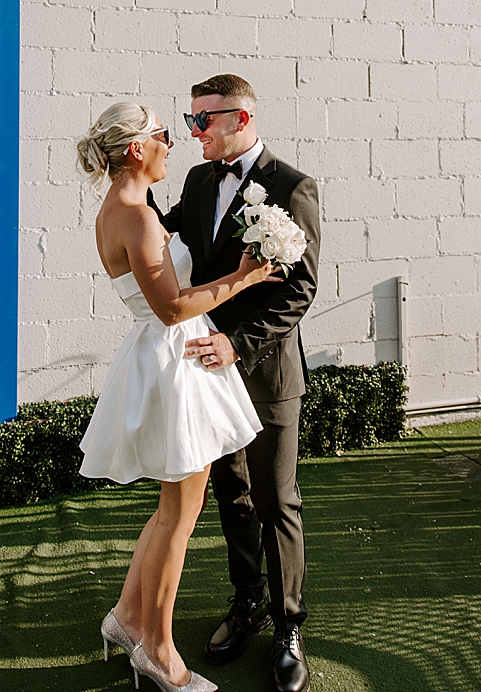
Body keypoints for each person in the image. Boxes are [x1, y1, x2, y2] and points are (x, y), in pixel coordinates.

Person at [76, 102, 277, 692]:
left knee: (171, 513)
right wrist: (247, 276)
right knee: (180, 519)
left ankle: (126, 618)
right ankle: (158, 653)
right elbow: (171, 308)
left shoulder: (126, 208)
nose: (173, 143)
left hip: (169, 357)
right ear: (136, 149)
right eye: (164, 134)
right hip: (175, 360)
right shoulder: (134, 216)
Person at [156, 74, 322, 692]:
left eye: (201, 120)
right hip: (208, 372)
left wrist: (237, 343)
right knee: (233, 495)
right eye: (190, 119)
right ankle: (247, 602)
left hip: (267, 374)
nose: (192, 131)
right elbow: (162, 233)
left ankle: (289, 627)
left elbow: (299, 291)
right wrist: (122, 181)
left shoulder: (292, 188)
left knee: (278, 502)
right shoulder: (201, 180)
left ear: (240, 120)